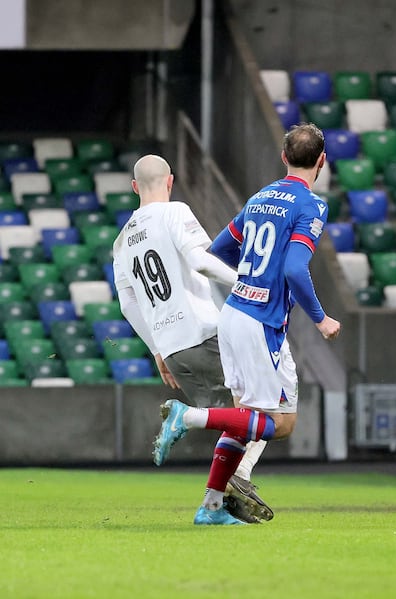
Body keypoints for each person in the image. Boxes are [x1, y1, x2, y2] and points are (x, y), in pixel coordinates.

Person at [152, 123, 341, 525]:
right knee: (280, 423)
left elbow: (218, 250)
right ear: (322, 161)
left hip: (234, 314)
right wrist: (321, 319)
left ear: (284, 157)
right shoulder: (311, 205)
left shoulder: (259, 198)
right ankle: (187, 417)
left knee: (245, 417)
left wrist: (252, 278)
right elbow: (294, 268)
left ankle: (212, 506)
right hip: (261, 321)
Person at [112, 154, 272, 524]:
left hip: (172, 347)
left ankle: (213, 506)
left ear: (135, 187)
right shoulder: (175, 212)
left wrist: (157, 350)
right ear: (170, 182)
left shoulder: (121, 243)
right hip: (205, 331)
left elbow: (127, 305)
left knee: (237, 420)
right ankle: (233, 474)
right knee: (265, 412)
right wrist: (247, 285)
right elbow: (201, 262)